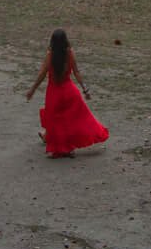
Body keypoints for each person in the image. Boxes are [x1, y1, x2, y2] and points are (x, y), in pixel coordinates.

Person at [26, 27, 109, 157]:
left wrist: (32, 89)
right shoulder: (69, 53)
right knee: (78, 118)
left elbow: (42, 74)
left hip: (54, 92)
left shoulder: (50, 55)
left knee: (54, 119)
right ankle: (47, 137)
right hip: (70, 91)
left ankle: (57, 144)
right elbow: (76, 72)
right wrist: (85, 89)